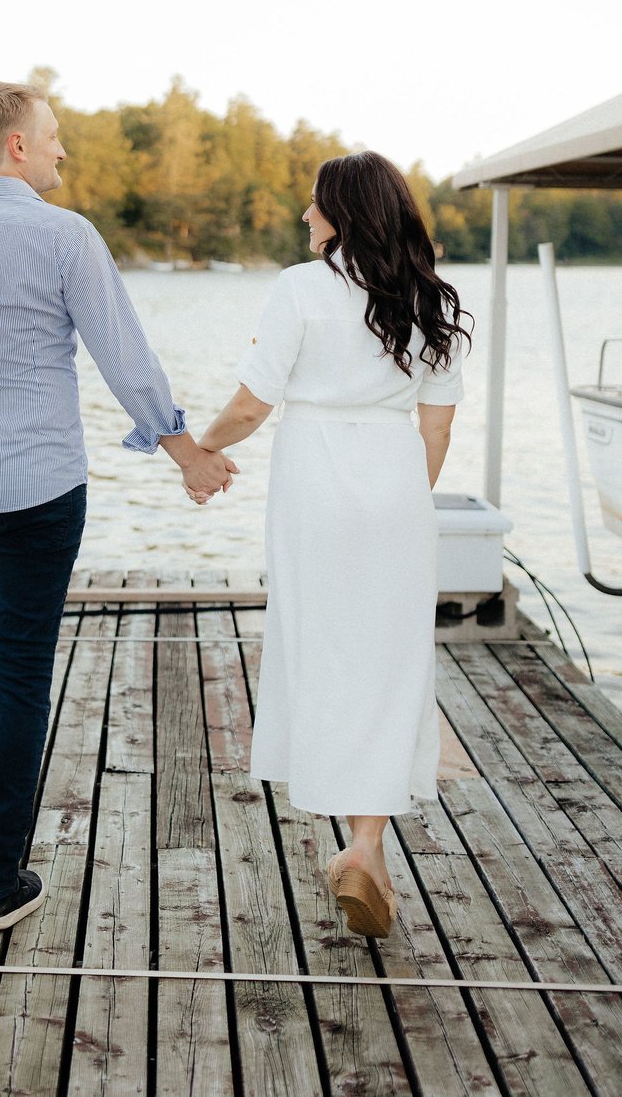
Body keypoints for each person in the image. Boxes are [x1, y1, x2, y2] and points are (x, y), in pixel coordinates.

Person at [0, 80, 236, 932]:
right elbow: (125, 356)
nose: (64, 149)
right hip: (38, 486)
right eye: (55, 136)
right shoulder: (65, 236)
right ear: (17, 148)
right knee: (26, 669)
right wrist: (182, 448)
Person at [188, 151, 471, 937]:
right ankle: (368, 843)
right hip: (396, 486)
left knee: (325, 649)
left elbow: (252, 405)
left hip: (315, 482)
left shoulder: (301, 288)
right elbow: (438, 425)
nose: (305, 218)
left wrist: (197, 453)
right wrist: (402, 497)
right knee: (390, 660)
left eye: (315, 206)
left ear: (341, 214)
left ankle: (359, 844)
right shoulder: (433, 301)